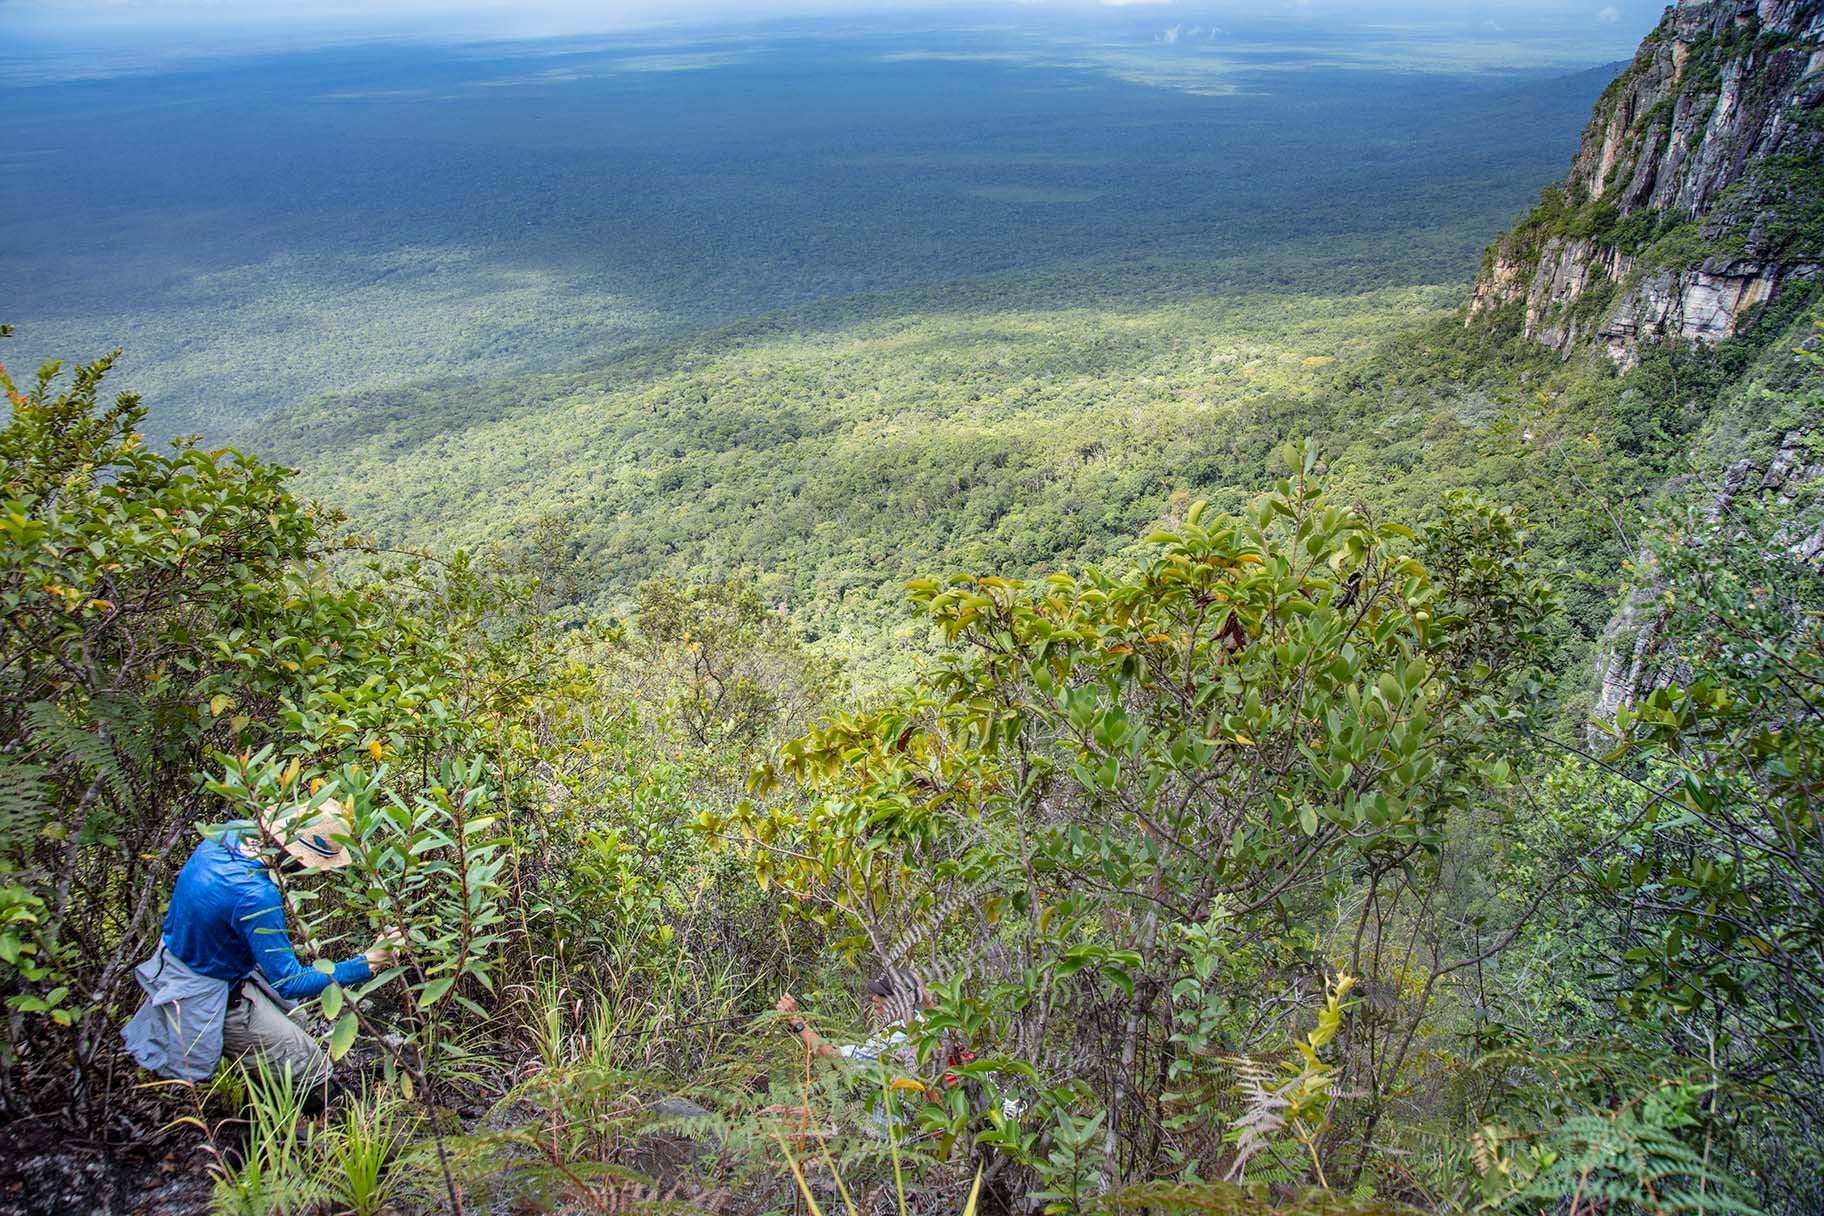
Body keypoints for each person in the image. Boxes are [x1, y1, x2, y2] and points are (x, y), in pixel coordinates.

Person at [121, 800, 401, 1112]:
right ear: (296, 858)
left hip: (194, 961)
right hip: (214, 992)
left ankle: (267, 1101)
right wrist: (368, 962)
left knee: (298, 1017)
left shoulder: (225, 836)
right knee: (309, 1062)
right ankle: (334, 1130)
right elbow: (290, 982)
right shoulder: (256, 896)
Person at [774, 966, 945, 1135]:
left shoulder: (892, 1039)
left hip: (892, 1135)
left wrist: (797, 1022)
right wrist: (925, 996)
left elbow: (835, 1059)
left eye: (882, 995)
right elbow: (942, 1021)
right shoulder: (924, 1022)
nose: (874, 999)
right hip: (915, 1125)